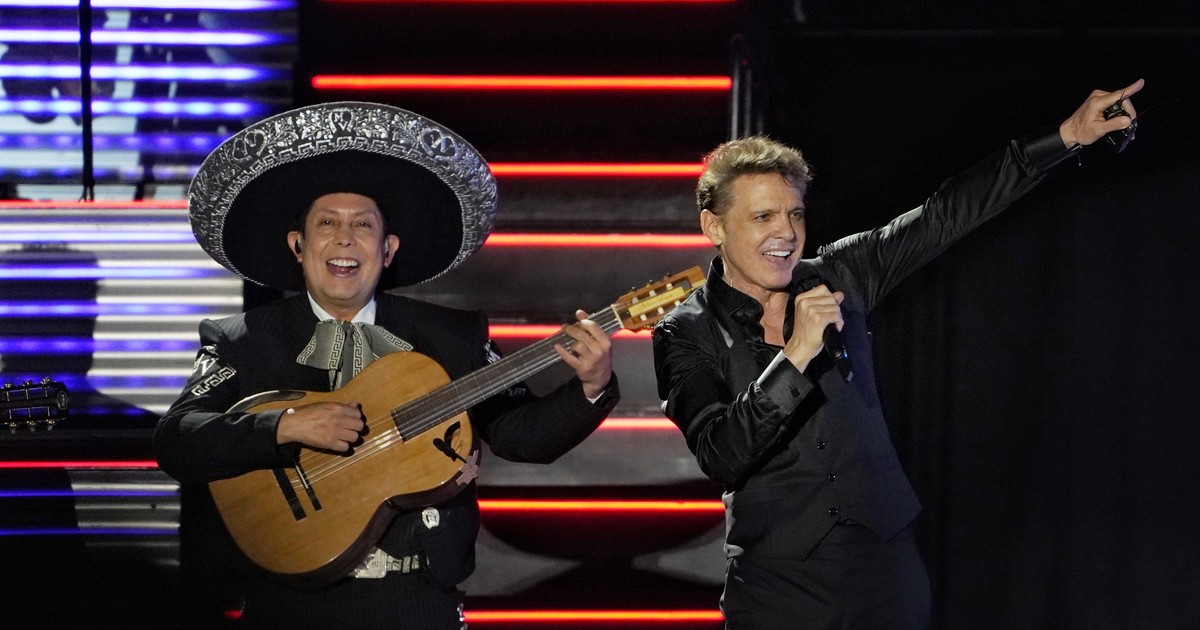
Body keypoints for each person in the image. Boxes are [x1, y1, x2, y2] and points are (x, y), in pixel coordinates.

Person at [651, 79, 1143, 629]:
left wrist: (1066, 136)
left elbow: (944, 215)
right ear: (714, 226)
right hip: (779, 586)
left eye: (795, 214)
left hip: (884, 569)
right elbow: (720, 453)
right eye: (763, 217)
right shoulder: (684, 331)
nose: (786, 233)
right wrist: (794, 356)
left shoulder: (839, 274)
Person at [154, 102, 619, 629]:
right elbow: (177, 440)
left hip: (415, 600)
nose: (345, 237)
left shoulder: (453, 335)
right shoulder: (242, 338)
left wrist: (591, 386)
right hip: (285, 606)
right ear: (298, 246)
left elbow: (519, 437)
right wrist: (284, 425)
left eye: (363, 225)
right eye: (326, 223)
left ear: (388, 248)